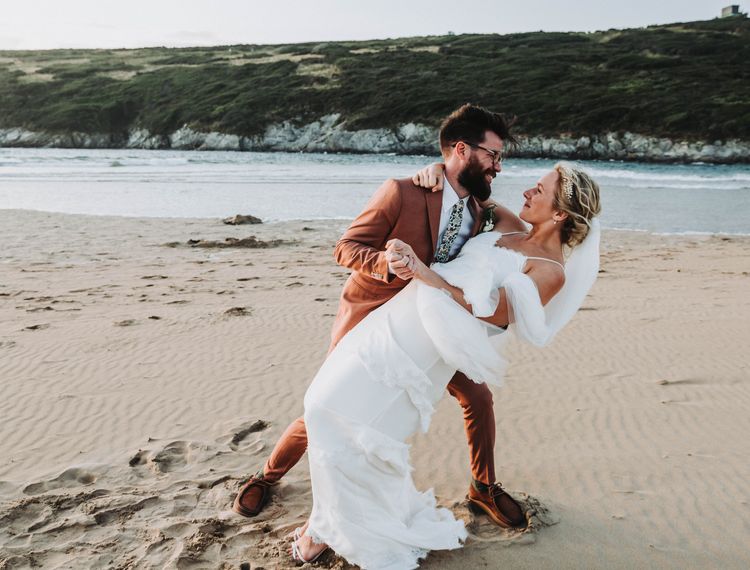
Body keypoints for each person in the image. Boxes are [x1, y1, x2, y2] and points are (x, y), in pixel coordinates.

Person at [293, 161, 602, 567]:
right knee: (323, 406)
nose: (527, 192)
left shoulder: (550, 271)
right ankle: (329, 521)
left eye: (539, 191)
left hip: (430, 346)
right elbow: (463, 190)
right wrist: (436, 169)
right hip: (399, 315)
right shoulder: (508, 223)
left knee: (364, 426)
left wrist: (425, 274)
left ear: (560, 214)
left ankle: (325, 528)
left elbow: (495, 313)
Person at [233, 104, 527, 530]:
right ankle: (267, 475)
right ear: (461, 149)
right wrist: (385, 262)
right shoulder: (401, 192)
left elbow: (525, 234)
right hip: (373, 318)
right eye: (492, 155)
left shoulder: (481, 210)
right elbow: (345, 248)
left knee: (478, 398)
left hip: (435, 327)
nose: (498, 166)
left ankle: (483, 487)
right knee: (332, 404)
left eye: (500, 158)